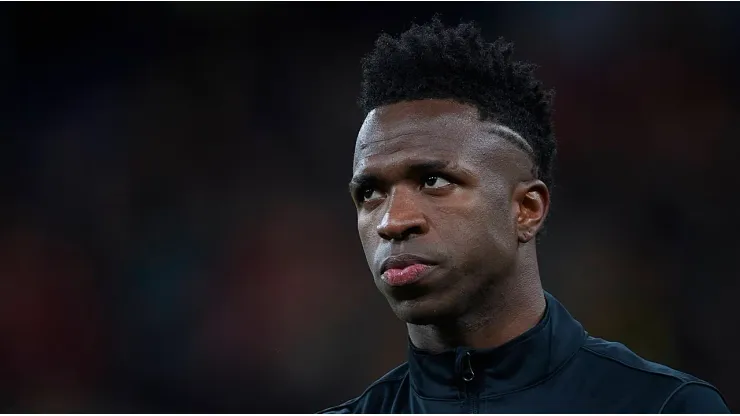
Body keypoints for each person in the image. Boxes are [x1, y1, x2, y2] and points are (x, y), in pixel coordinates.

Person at [318, 17, 730, 414]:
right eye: (370, 193)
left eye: (433, 181)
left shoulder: (665, 407)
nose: (392, 221)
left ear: (527, 209)